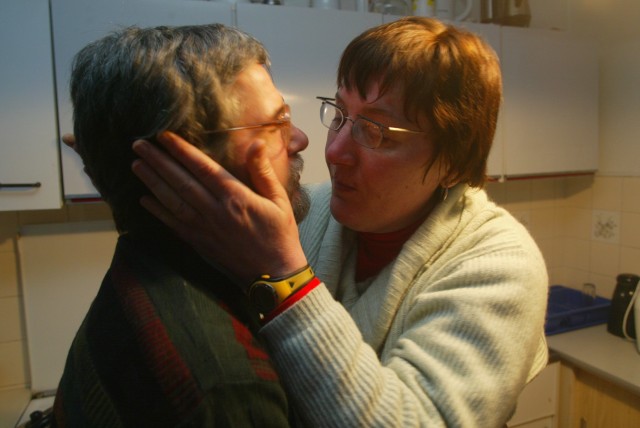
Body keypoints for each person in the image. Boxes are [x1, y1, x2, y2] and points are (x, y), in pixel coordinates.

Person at [131, 17, 549, 427]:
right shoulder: (302, 211)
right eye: (339, 115)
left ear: (453, 164)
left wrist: (285, 278)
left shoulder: (498, 263)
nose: (334, 152)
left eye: (378, 132)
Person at [53, 23, 310, 427]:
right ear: (185, 168)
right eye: (276, 123)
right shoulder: (224, 387)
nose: (299, 139)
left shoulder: (140, 265)